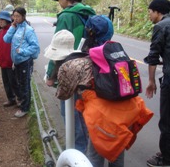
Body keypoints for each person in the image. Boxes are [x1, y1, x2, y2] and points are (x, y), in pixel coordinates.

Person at [45, 27, 153, 167]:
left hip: (104, 116)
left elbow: (63, 94)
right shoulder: (88, 57)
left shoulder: (68, 67)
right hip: (129, 107)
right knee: (116, 151)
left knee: (94, 156)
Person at [45, 0, 96, 153]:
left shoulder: (66, 16)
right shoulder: (89, 13)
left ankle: (77, 155)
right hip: (89, 70)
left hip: (70, 71)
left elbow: (57, 48)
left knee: (70, 114)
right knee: (83, 112)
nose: (59, 3)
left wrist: (51, 76)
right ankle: (86, 151)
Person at [144, 0, 170, 167]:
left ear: (158, 11)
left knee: (167, 120)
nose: (149, 15)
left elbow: (153, 57)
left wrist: (151, 81)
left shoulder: (161, 26)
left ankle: (166, 158)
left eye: (150, 12)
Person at [3, 7, 40, 118]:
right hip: (17, 62)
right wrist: (12, 27)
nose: (15, 18)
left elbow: (35, 47)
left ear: (24, 16)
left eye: (18, 16)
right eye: (14, 16)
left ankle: (24, 108)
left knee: (24, 85)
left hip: (25, 61)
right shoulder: (15, 27)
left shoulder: (28, 30)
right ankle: (23, 104)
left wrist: (22, 51)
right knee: (19, 84)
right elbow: (6, 39)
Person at [0, 10, 19, 107]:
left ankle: (19, 99)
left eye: (2, 20)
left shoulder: (13, 31)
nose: (0, 22)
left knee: (14, 82)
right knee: (6, 82)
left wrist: (15, 60)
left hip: (11, 62)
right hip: (3, 62)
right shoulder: (0, 33)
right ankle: (11, 99)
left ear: (7, 20)